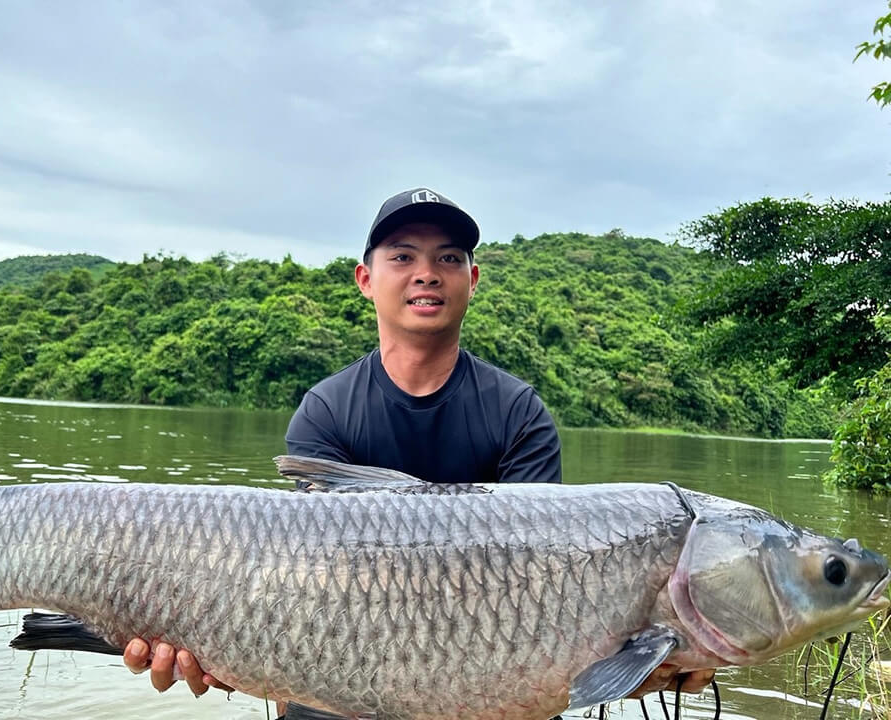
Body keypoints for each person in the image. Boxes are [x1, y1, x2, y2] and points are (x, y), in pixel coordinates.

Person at [122, 188, 713, 715]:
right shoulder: (326, 409)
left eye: (448, 259)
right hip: (336, 676)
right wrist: (219, 646)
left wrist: (647, 652)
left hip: (489, 678)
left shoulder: (518, 412)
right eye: (403, 257)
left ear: (472, 280)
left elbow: (545, 576)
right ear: (365, 279)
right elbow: (310, 571)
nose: (427, 274)